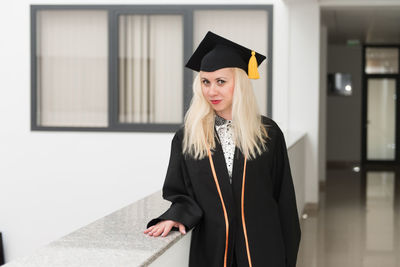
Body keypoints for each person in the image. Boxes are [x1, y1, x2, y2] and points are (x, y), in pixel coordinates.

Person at [143, 31, 301, 267]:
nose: (211, 91)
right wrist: (175, 216)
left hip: (263, 249)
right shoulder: (188, 136)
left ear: (240, 84)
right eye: (205, 82)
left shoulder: (267, 133)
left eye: (221, 82)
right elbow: (181, 191)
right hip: (214, 251)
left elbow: (284, 201)